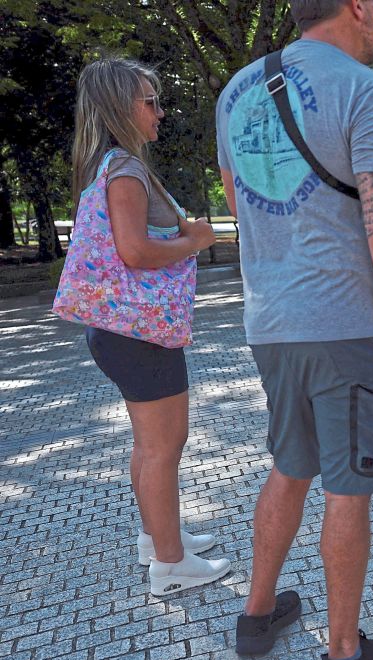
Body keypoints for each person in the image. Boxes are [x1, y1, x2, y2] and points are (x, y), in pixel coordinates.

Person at [216, 0, 373, 660]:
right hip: (347, 323)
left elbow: (239, 200)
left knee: (289, 463)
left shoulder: (235, 92)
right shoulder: (366, 91)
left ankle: (256, 614)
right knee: (347, 486)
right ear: (359, 6)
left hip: (269, 322)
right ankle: (342, 656)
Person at [69, 59, 228, 597]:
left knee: (148, 445)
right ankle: (170, 564)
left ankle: (156, 538)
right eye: (149, 101)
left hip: (117, 332)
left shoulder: (105, 166)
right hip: (141, 333)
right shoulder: (128, 171)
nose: (160, 112)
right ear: (120, 106)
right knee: (165, 446)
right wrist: (197, 242)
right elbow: (134, 251)